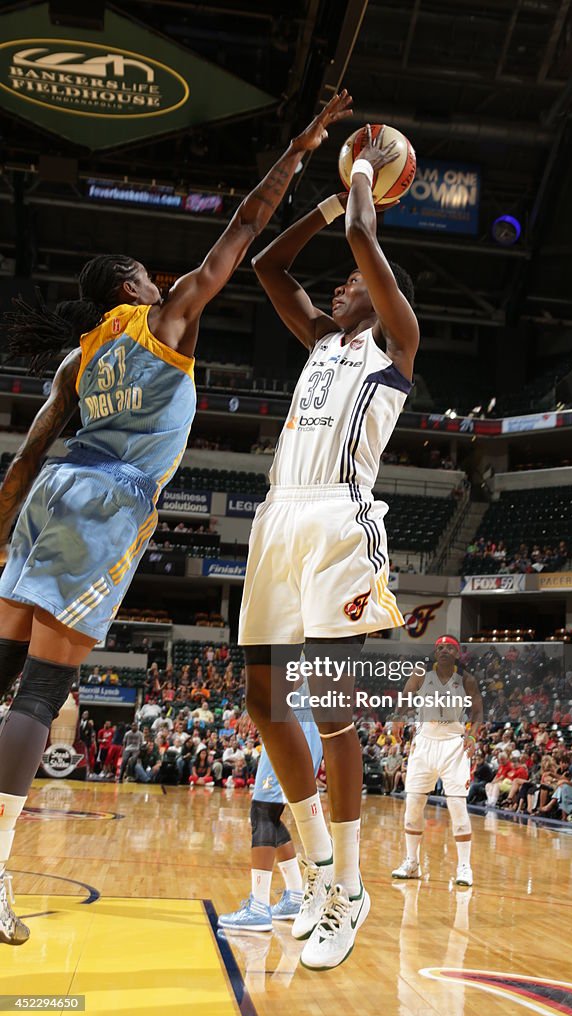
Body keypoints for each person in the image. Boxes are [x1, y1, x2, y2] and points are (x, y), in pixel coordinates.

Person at [0, 91, 352, 946]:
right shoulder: (166, 320)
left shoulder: (78, 359)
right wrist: (303, 147)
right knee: (44, 690)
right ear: (129, 285)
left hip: (45, 501)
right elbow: (244, 222)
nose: (163, 280)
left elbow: (23, 460)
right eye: (147, 276)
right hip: (106, 504)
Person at [241, 123, 420, 970]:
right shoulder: (318, 340)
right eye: (343, 284)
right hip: (279, 518)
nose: (343, 282)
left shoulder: (394, 347)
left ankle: (350, 885)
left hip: (340, 521)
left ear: (382, 300)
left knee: (328, 704)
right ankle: (315, 870)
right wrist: (325, 195)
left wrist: (360, 173)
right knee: (261, 698)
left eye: (357, 283)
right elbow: (267, 267)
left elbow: (359, 234)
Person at [218, 706, 323, 932]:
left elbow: (289, 673)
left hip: (292, 721)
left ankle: (258, 906)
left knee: (262, 812)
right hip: (307, 722)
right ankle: (295, 895)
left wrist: (257, 705)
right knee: (271, 814)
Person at [392, 636, 483, 887]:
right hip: (424, 744)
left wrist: (474, 735)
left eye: (449, 647)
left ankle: (464, 866)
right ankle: (412, 862)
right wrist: (398, 716)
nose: (444, 650)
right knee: (413, 806)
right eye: (440, 647)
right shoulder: (420, 674)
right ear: (435, 652)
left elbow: (478, 712)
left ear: (457, 653)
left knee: (457, 807)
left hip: (453, 745)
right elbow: (405, 699)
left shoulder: (467, 679)